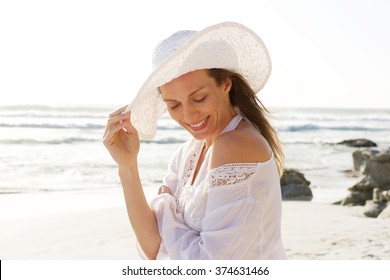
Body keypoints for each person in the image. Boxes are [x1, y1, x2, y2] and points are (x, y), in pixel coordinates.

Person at [103, 22, 286, 260]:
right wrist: (127, 166)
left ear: (226, 85)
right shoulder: (187, 153)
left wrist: (165, 214)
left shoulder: (236, 145)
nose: (188, 116)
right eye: (174, 105)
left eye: (199, 98)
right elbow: (152, 249)